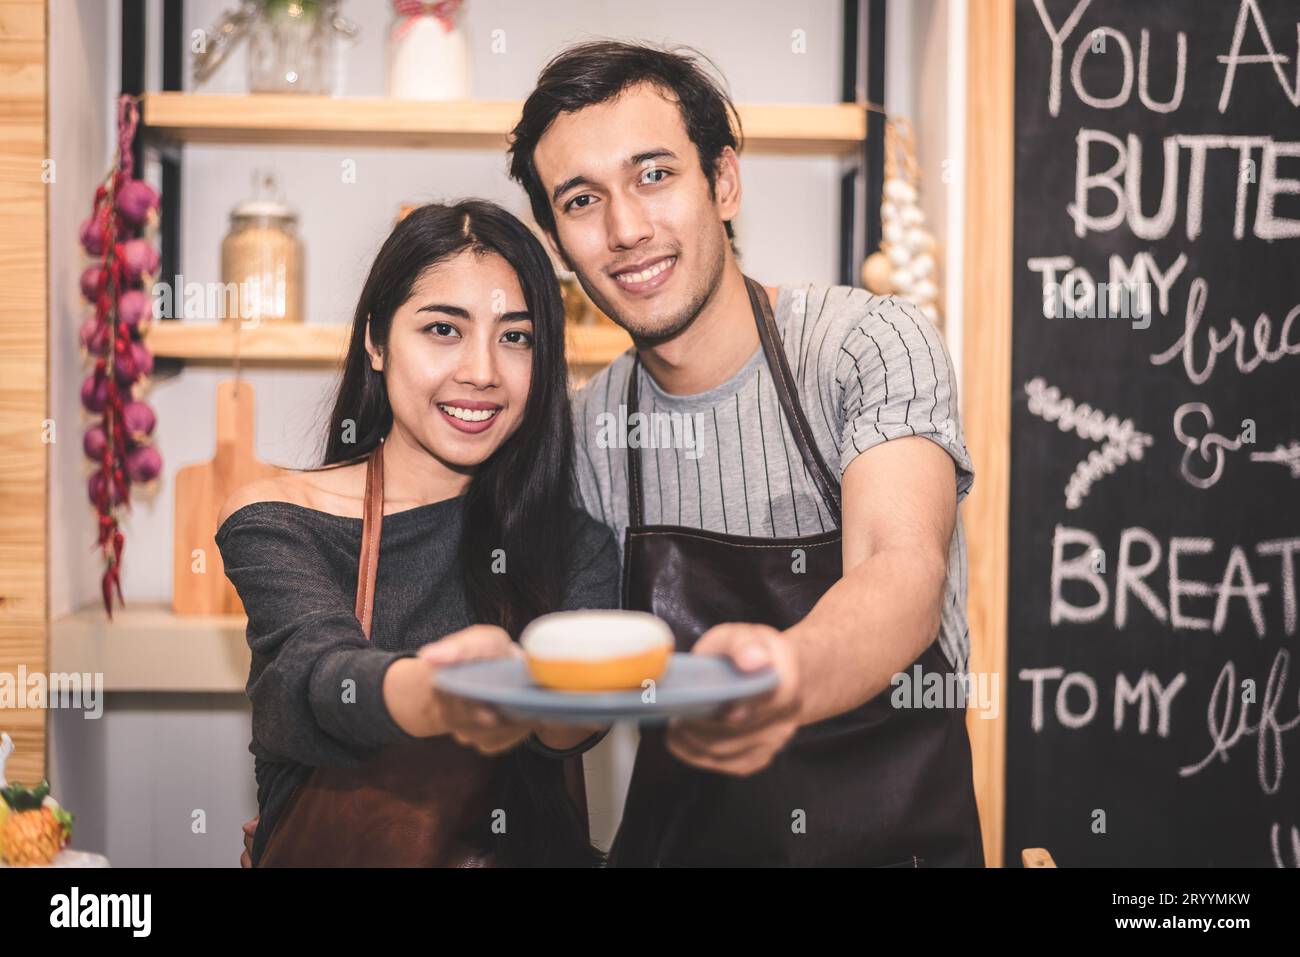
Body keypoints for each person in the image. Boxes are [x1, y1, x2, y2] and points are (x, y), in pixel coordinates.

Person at [507, 41, 985, 866]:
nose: (626, 229)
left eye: (655, 174)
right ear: (555, 241)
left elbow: (901, 571)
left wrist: (777, 678)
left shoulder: (868, 344)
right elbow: (577, 706)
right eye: (582, 200)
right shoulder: (588, 431)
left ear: (723, 181)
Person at [216, 200, 616, 867]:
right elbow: (318, 676)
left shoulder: (574, 542)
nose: (482, 371)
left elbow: (573, 730)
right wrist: (439, 693)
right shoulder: (278, 517)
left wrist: (541, 691)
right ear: (375, 340)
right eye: (443, 329)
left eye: (516, 336)